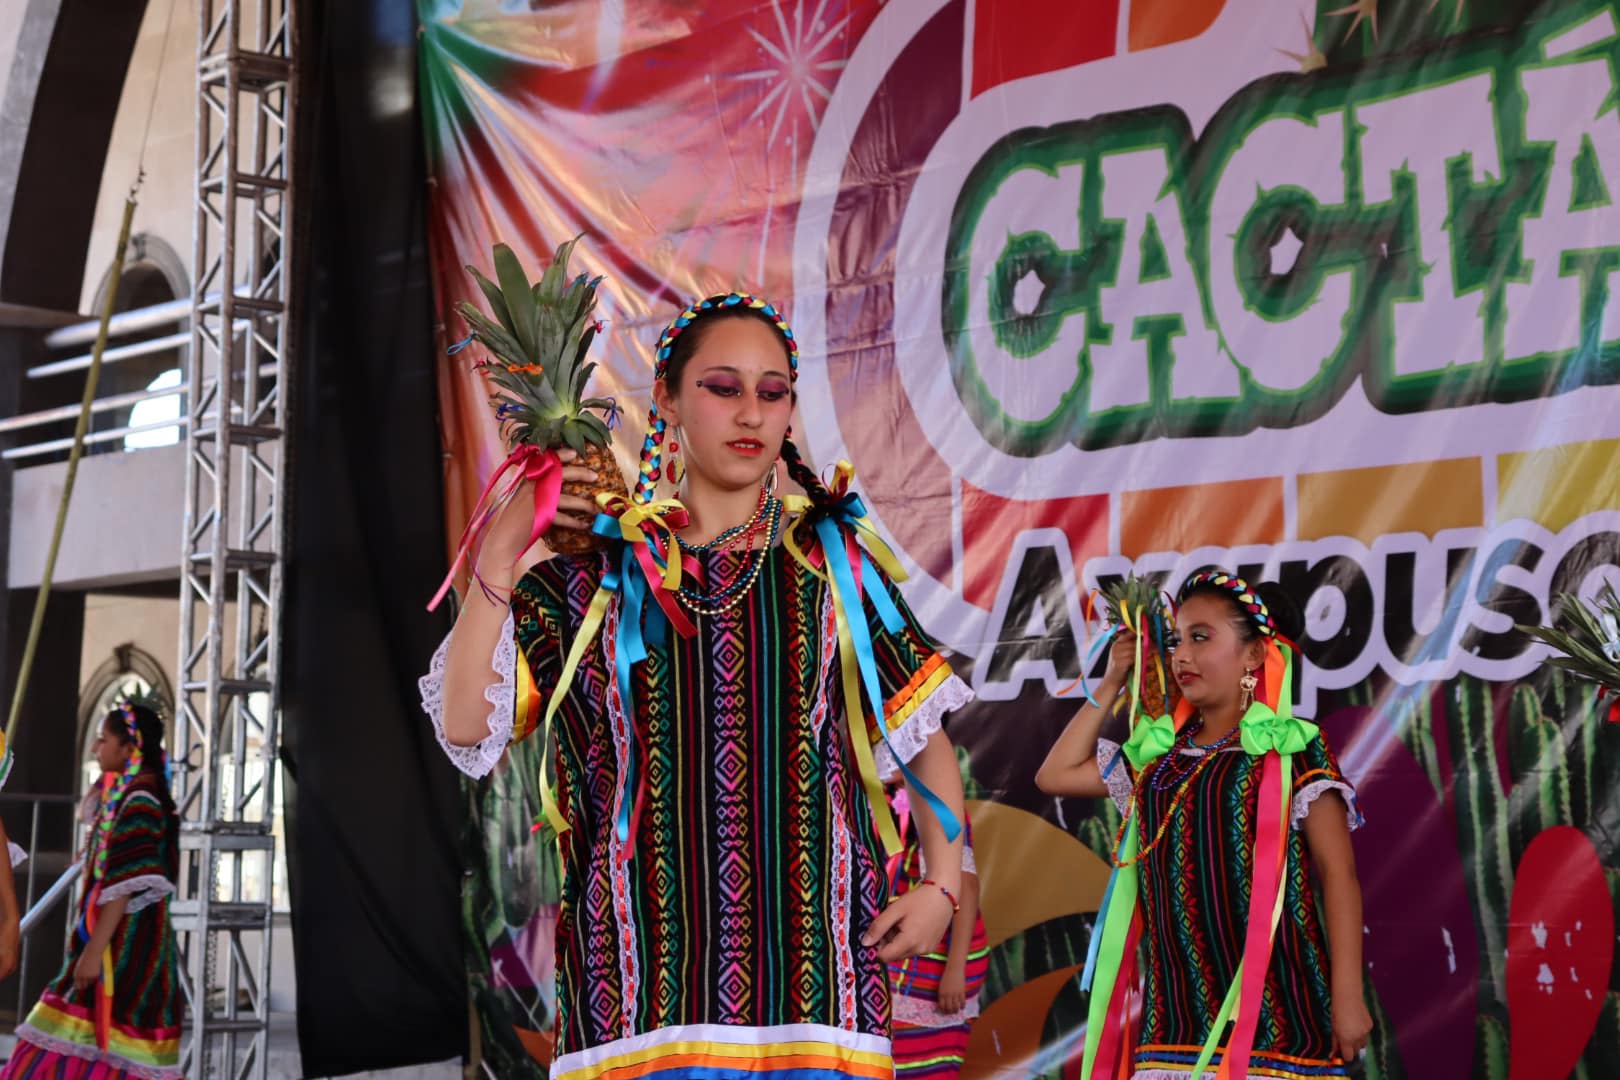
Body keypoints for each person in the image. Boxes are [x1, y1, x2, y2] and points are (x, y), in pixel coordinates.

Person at [422, 293, 972, 1080]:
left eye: (772, 390)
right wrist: (508, 544)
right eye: (724, 386)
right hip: (634, 998)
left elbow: (921, 735)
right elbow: (466, 722)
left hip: (814, 996)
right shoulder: (590, 586)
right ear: (671, 401)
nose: (751, 410)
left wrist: (943, 887)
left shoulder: (831, 567)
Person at [1036, 571, 1370, 1080]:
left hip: (1280, 1018)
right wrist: (1110, 681)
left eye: (1201, 637)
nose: (1182, 656)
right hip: (1176, 1020)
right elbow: (1054, 775)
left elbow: (1339, 874)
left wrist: (1349, 997)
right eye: (1175, 640)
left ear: (1255, 655)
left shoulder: (1291, 747)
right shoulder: (1160, 754)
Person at [4, 701, 183, 1078]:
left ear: (127, 749)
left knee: (86, 1042)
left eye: (102, 740)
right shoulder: (126, 795)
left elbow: (123, 888)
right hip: (109, 946)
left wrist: (93, 952)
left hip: (124, 952)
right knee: (80, 1045)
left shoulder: (140, 803)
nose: (94, 749)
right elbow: (90, 818)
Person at [885, 787, 987, 1078]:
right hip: (890, 952)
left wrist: (956, 969)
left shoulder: (936, 804)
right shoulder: (863, 795)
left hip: (936, 961)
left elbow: (966, 889)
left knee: (924, 1065)